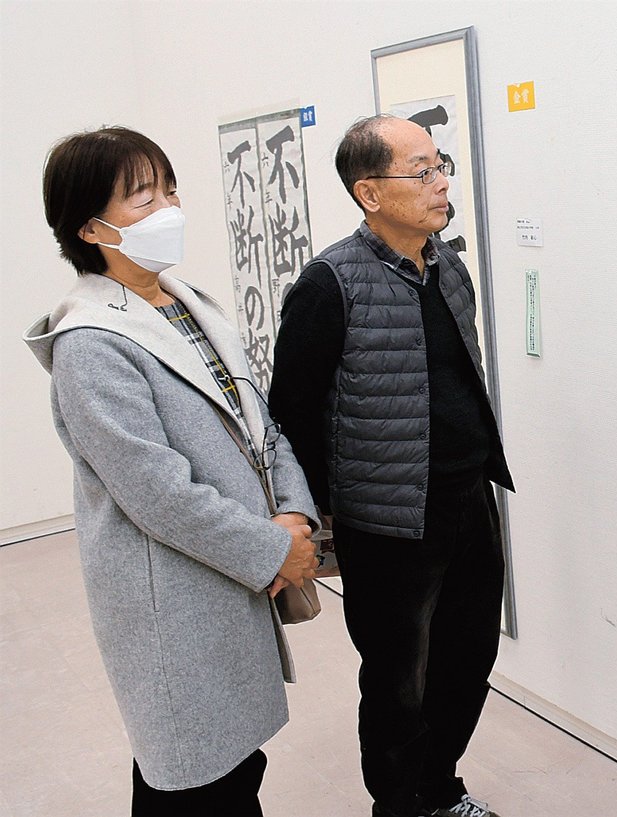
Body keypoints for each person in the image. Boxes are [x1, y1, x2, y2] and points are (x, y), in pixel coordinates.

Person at [24, 126, 321, 817]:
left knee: (232, 765)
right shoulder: (91, 342)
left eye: (169, 189)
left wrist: (294, 514)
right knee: (191, 772)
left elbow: (260, 424)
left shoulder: (186, 302)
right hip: (177, 594)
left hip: (232, 572)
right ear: (90, 228)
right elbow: (157, 492)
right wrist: (273, 548)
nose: (168, 208)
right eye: (143, 197)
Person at [268, 114, 514, 817]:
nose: (441, 184)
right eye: (422, 171)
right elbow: (291, 415)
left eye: (441, 166)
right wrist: (311, 524)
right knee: (397, 678)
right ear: (370, 193)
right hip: (387, 519)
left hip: (469, 499)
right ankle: (400, 805)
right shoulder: (328, 284)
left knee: (469, 658)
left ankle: (440, 787)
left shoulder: (448, 266)